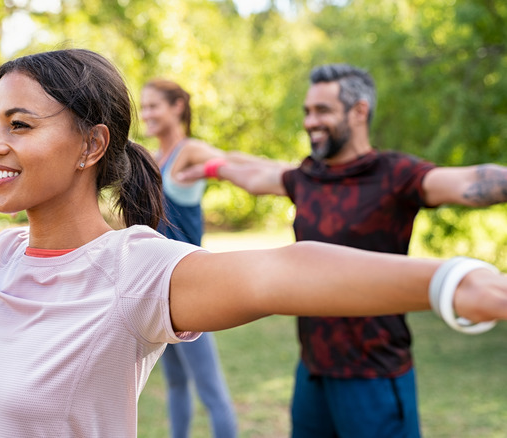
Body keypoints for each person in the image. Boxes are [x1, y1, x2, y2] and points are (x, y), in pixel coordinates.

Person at [0, 50, 507, 438]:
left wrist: (450, 282)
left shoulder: (135, 271)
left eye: (20, 125)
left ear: (91, 144)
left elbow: (286, 270)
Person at [177, 63, 507, 438]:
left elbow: (467, 181)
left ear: (359, 111)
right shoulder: (306, 176)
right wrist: (210, 168)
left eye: (322, 111)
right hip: (313, 372)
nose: (309, 121)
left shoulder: (394, 174)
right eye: (307, 111)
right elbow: (255, 175)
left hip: (374, 375)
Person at [140, 79, 237, 438]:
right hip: (156, 288)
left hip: (190, 287)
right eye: (144, 106)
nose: (146, 113)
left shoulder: (190, 151)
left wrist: (210, 170)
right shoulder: (151, 160)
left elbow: (232, 163)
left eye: (154, 106)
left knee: (210, 389)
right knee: (177, 384)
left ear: (177, 106)